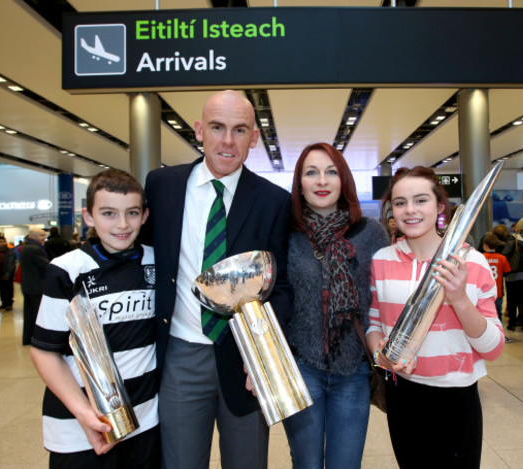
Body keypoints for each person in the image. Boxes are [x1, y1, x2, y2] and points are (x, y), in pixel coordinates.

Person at [143, 90, 294, 469]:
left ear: (254, 138)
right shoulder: (162, 187)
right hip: (180, 355)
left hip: (245, 358)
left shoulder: (274, 200)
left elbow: (283, 286)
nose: (227, 141)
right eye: (217, 127)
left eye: (239, 130)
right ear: (199, 131)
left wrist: (263, 348)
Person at [366, 166, 504, 469]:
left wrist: (459, 299)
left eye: (421, 200)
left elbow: (493, 348)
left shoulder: (472, 261)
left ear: (440, 206)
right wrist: (380, 353)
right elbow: (374, 322)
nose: (410, 210)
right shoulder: (382, 260)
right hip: (402, 394)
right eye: (400, 202)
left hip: (457, 396)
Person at [29, 169, 160, 468]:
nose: (123, 224)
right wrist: (84, 413)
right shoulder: (66, 270)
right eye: (109, 213)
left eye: (132, 213)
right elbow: (44, 350)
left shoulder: (157, 261)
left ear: (145, 215)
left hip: (147, 421)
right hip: (79, 429)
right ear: (88, 216)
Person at [282, 143, 388, 468]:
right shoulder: (287, 234)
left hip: (352, 372)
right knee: (306, 464)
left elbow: (383, 297)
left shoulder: (371, 233)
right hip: (301, 369)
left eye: (330, 172)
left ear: (343, 179)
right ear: (299, 182)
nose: (321, 181)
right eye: (311, 172)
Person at [502, 217, 523, 332]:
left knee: (512, 300)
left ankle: (512, 324)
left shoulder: (514, 238)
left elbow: (505, 254)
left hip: (513, 275)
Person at [482, 232, 512, 343]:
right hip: (498, 292)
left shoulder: (481, 257)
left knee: (484, 315)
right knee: (497, 316)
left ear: (485, 245)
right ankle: (500, 336)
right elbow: (507, 272)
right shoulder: (502, 258)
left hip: (484, 293)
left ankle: (485, 337)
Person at [19, 229, 48, 345]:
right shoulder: (35, 249)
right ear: (33, 236)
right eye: (41, 235)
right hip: (37, 285)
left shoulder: (25, 247)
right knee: (38, 314)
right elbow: (45, 265)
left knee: (29, 314)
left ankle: (28, 337)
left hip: (27, 285)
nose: (44, 238)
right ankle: (38, 338)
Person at [0, 236, 16, 310]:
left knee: (9, 288)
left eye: (4, 241)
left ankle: (9, 303)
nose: (2, 243)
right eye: (0, 242)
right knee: (1, 288)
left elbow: (11, 264)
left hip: (7, 273)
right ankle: (3, 303)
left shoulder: (10, 252)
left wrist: (8, 274)